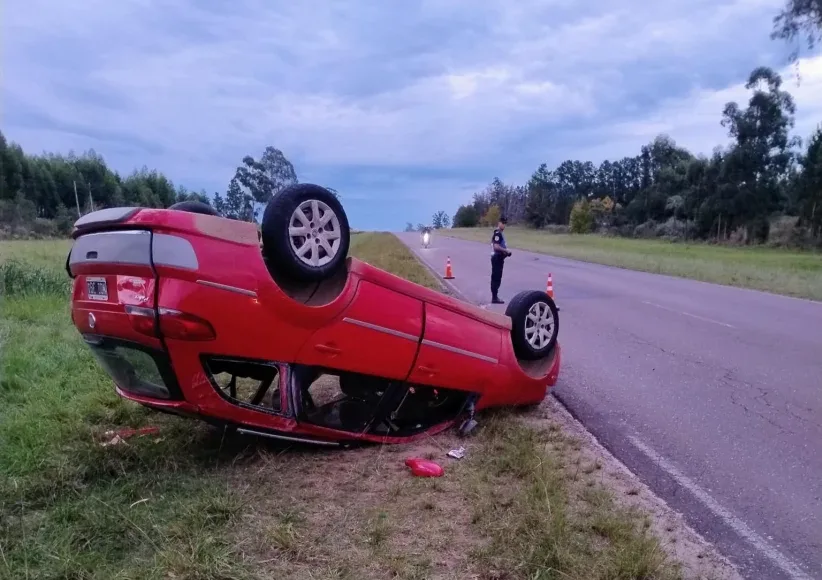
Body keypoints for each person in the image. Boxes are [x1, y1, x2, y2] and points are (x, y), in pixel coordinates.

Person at [490, 216, 512, 304]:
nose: (504, 225)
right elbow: (496, 247)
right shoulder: (497, 234)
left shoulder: (500, 233)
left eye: (505, 223)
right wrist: (506, 251)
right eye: (502, 223)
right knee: (496, 277)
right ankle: (494, 297)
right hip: (497, 258)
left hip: (499, 257)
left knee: (497, 277)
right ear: (499, 223)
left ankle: (495, 297)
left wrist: (506, 253)